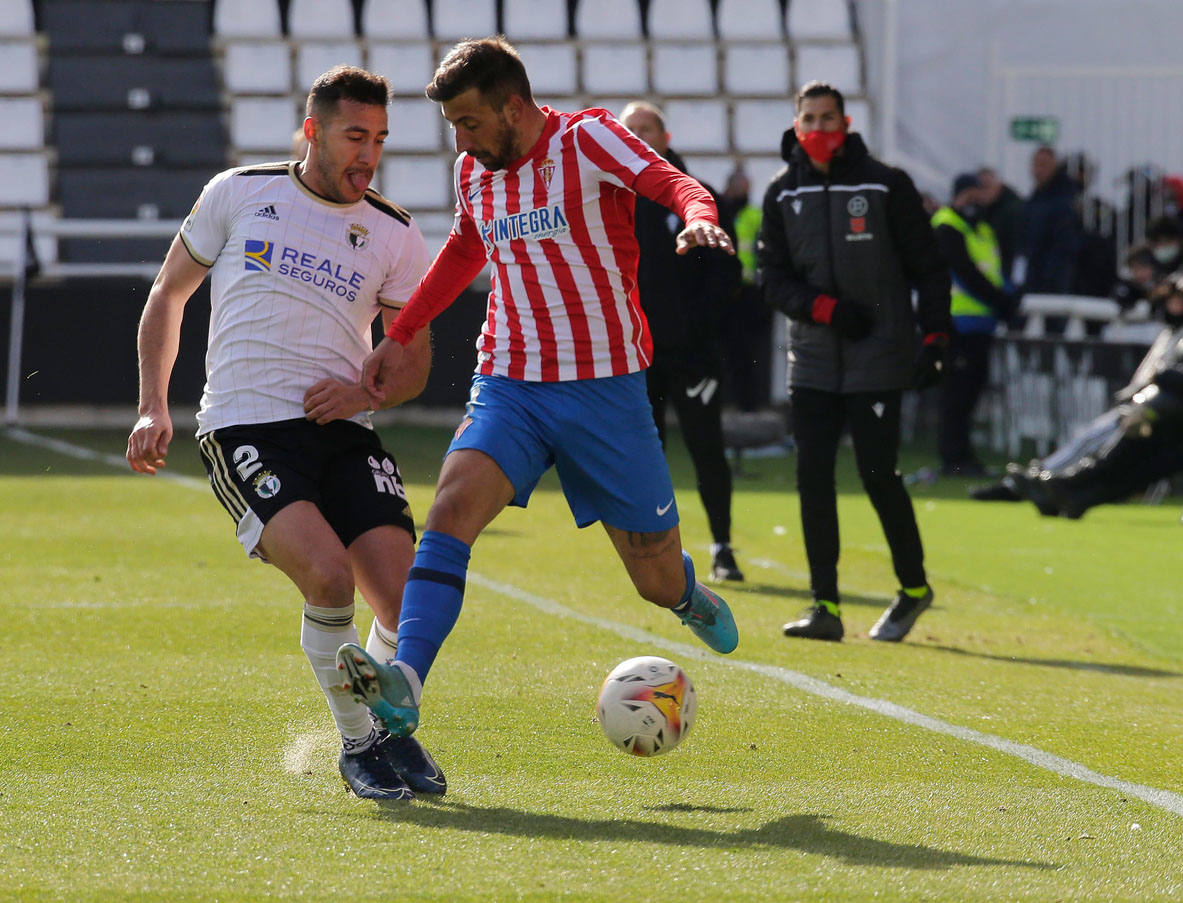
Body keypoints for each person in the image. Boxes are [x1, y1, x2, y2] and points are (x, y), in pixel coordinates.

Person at [333, 37, 740, 749]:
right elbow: (466, 247)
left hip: (607, 390)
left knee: (648, 575)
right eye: (454, 125)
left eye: (469, 121)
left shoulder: (586, 141)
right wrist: (400, 334)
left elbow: (668, 181)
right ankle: (406, 681)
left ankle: (685, 593)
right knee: (451, 509)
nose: (460, 138)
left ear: (513, 106)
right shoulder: (474, 172)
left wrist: (700, 214)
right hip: (511, 382)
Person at [125, 66, 441, 802]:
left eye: (381, 140)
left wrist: (366, 388)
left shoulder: (395, 232)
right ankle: (360, 742)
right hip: (245, 425)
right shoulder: (239, 192)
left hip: (345, 431)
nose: (369, 154)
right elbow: (168, 294)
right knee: (329, 578)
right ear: (313, 131)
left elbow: (415, 360)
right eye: (354, 136)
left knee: (405, 601)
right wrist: (151, 404)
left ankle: (390, 724)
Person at [757, 80, 952, 643]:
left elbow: (929, 268)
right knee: (812, 480)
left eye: (827, 118)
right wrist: (823, 309)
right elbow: (771, 279)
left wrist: (936, 336)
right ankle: (825, 607)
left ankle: (913, 589)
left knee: (877, 476)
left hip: (878, 357)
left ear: (845, 123)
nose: (818, 130)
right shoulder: (781, 192)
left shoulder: (887, 185)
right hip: (813, 362)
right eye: (809, 120)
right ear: (797, 125)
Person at [619, 100, 744, 582]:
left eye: (647, 129)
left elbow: (727, 272)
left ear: (665, 138)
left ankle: (722, 546)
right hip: (636, 355)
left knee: (706, 448)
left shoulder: (700, 196)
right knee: (645, 456)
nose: (640, 137)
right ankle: (655, 553)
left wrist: (693, 327)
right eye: (631, 130)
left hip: (693, 355)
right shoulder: (613, 199)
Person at [972, 280, 1183, 518]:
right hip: (1156, 407)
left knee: (1103, 439)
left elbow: (1169, 377)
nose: (1176, 304)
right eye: (1173, 298)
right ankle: (1063, 491)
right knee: (1122, 451)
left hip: (1164, 409)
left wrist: (1157, 386)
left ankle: (1048, 482)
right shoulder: (1170, 330)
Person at [930, 172, 1020, 477]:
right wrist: (1002, 302)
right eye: (968, 195)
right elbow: (965, 273)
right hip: (956, 322)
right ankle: (953, 458)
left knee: (970, 392)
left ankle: (963, 456)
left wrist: (1007, 298)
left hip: (980, 323)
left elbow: (993, 270)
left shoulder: (981, 229)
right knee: (956, 392)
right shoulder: (946, 225)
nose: (974, 202)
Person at [720, 164, 773, 412]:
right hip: (723, 294)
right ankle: (727, 402)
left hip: (748, 294)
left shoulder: (755, 215)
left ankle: (748, 404)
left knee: (747, 352)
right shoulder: (719, 213)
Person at [1017, 145, 1083, 296]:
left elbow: (1064, 243)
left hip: (1053, 281)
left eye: (1044, 165)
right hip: (1033, 276)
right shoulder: (1034, 199)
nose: (1039, 170)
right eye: (1036, 164)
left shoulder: (1064, 200)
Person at [977, 166, 1024, 284]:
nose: (983, 192)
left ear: (998, 185)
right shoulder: (982, 210)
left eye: (986, 187)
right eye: (980, 188)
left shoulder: (1013, 210)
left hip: (1007, 273)